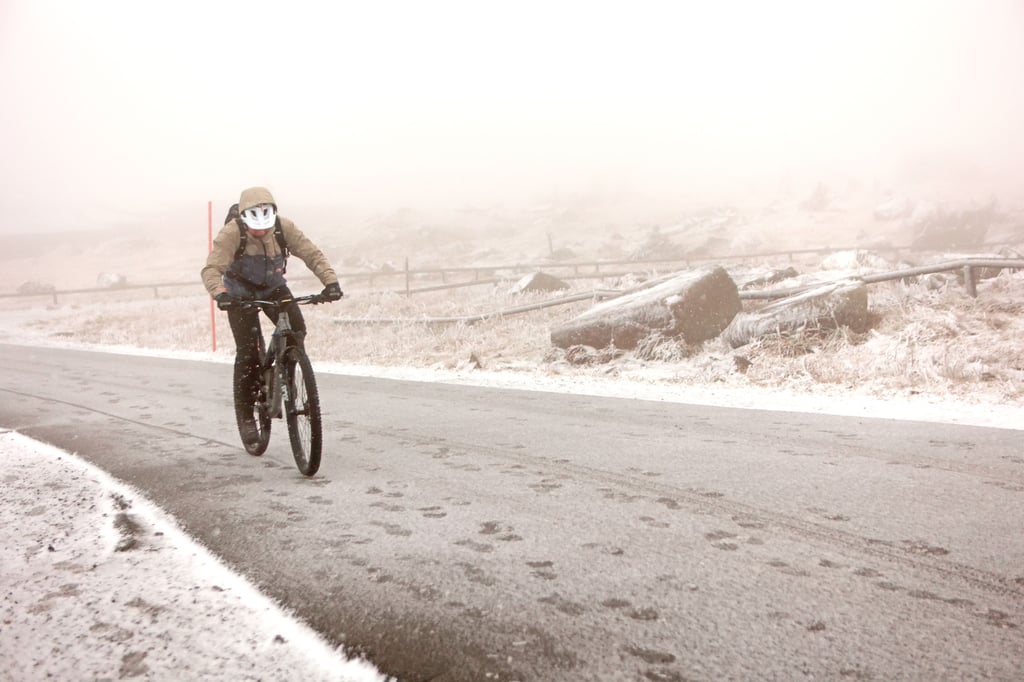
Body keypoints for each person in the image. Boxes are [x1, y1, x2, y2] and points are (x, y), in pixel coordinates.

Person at [201, 186, 343, 446]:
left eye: (265, 229)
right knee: (248, 352)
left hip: (274, 287)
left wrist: (330, 283)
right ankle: (246, 416)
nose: (262, 233)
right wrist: (221, 294)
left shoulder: (283, 227)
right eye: (256, 230)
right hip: (239, 294)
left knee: (297, 328)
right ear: (244, 222)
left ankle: (286, 368)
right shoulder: (231, 233)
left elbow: (311, 254)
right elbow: (211, 268)